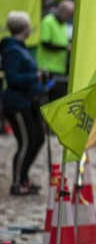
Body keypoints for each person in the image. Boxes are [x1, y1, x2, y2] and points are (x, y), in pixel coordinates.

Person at [1, 11, 54, 195]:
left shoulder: (21, 48)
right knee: (25, 143)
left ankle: (23, 178)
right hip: (16, 103)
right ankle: (17, 183)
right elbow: (13, 77)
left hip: (28, 101)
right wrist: (35, 76)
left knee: (37, 139)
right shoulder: (12, 50)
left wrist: (40, 81)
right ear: (24, 29)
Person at [36, 0, 74, 101]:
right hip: (47, 68)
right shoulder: (48, 21)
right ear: (62, 11)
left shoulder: (63, 25)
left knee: (58, 97)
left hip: (59, 68)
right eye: (69, 15)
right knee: (47, 99)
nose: (69, 18)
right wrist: (65, 48)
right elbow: (45, 43)